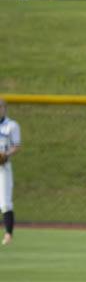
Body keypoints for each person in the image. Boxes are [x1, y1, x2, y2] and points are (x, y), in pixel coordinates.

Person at [0, 98, 21, 246]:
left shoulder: (11, 126)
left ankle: (8, 234)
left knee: (5, 202)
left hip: (3, 167)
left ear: (4, 109)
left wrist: (6, 155)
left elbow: (16, 146)